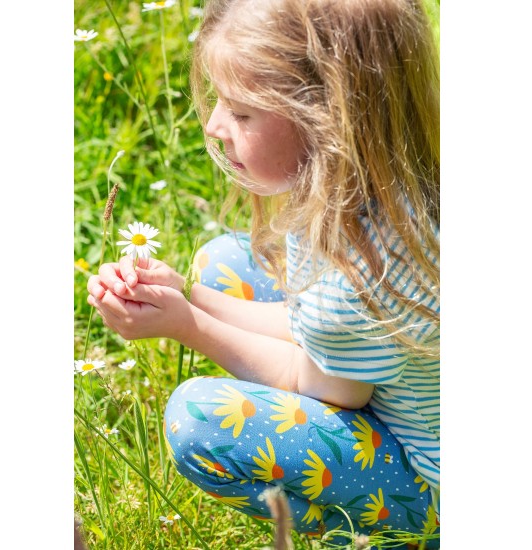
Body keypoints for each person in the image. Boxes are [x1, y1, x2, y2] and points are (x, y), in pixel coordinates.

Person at [87, 0, 440, 546]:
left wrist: (189, 326)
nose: (213, 124)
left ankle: (394, 529)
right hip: (377, 379)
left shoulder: (369, 267)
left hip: (428, 477)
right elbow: (306, 321)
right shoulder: (374, 187)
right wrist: (190, 295)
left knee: (199, 419)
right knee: (219, 264)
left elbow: (321, 386)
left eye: (242, 111)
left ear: (328, 116)